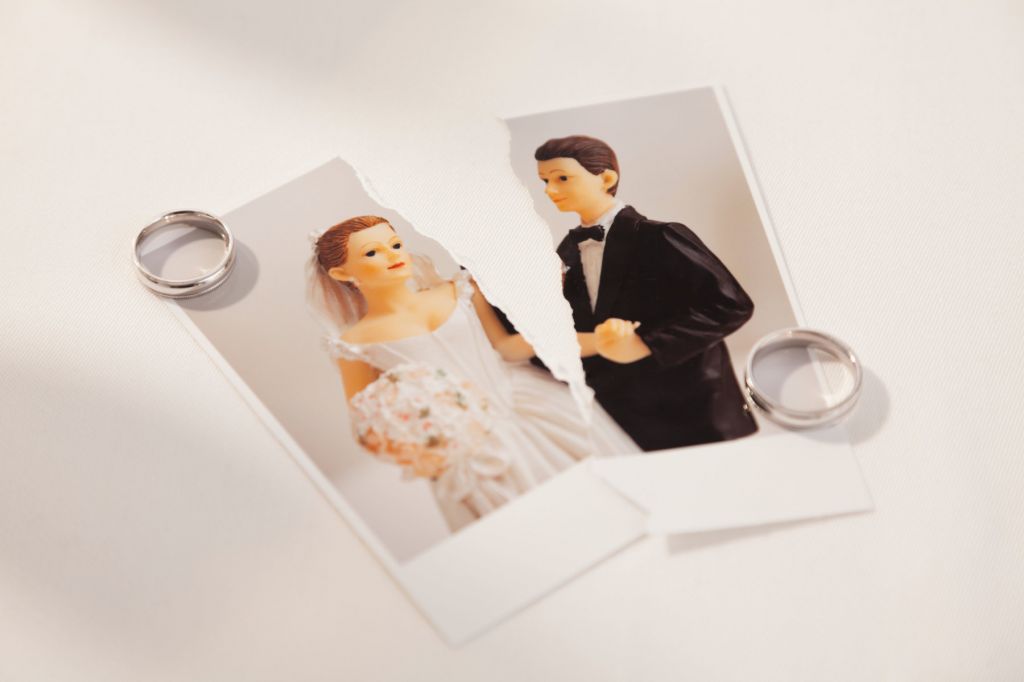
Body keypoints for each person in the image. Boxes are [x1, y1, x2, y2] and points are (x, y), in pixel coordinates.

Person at [306, 215, 640, 532]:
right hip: (466, 446)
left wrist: (595, 341)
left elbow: (505, 346)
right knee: (530, 523)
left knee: (608, 493)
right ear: (342, 274)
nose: (392, 255)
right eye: (372, 252)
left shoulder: (458, 289)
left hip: (529, 405)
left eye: (394, 244)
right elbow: (365, 422)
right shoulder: (353, 344)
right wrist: (423, 441)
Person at [535, 134, 759, 451]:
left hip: (691, 405)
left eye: (562, 178)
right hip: (623, 416)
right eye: (544, 180)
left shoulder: (660, 236)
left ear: (606, 178)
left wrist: (646, 345)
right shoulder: (568, 250)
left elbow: (731, 305)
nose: (549, 190)